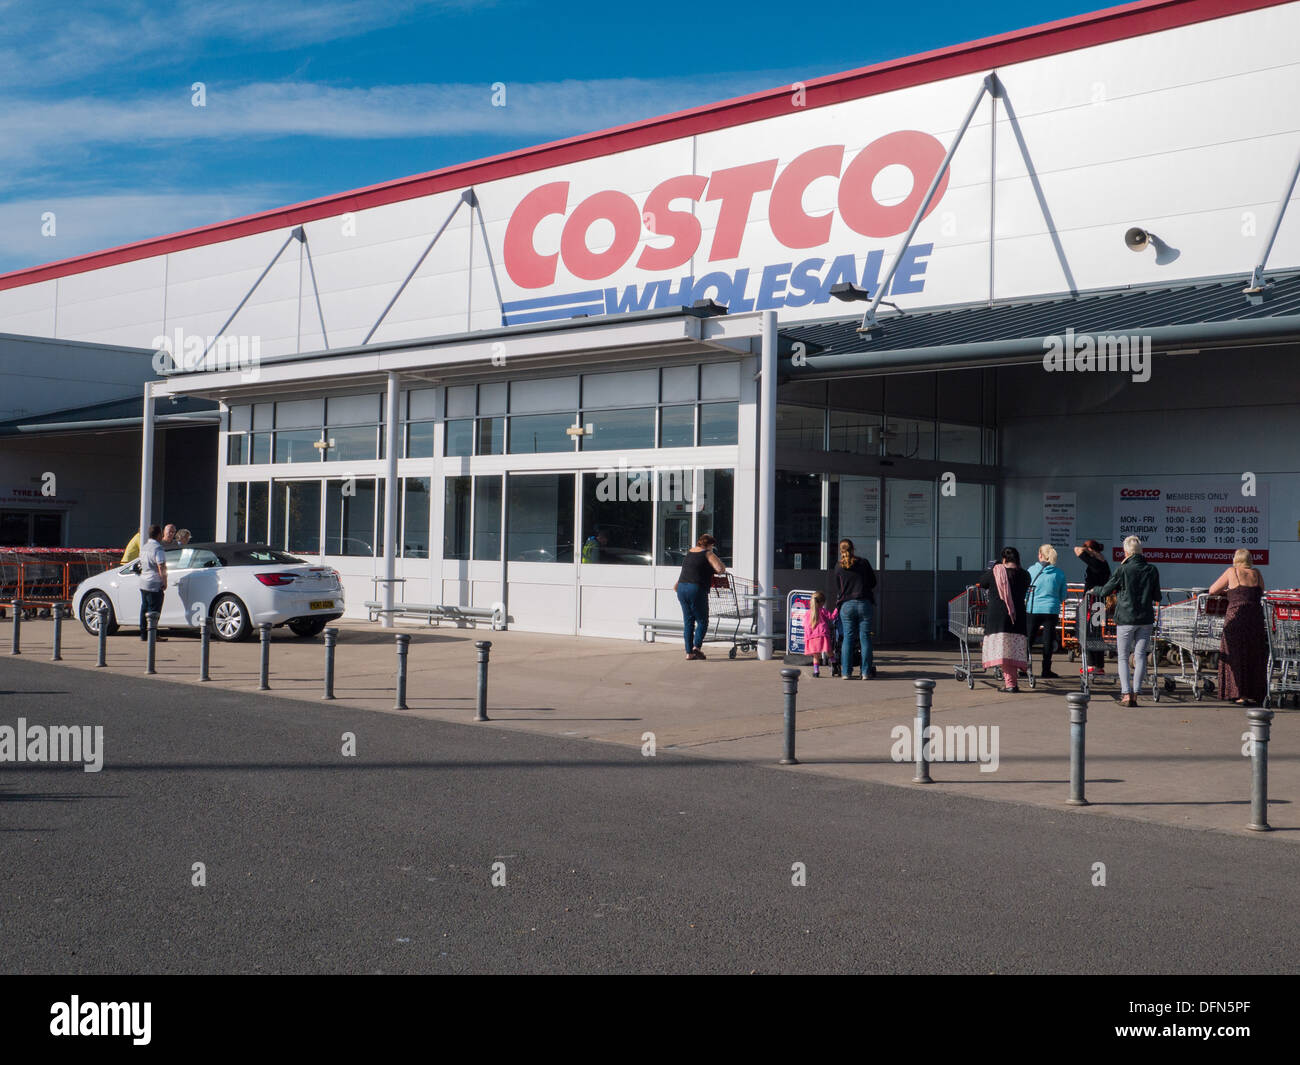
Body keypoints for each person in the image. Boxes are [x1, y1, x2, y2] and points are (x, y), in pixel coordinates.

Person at [1093, 535, 1161, 707]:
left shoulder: (1122, 570)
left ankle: (1125, 694)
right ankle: (1136, 693)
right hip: (1145, 619)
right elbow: (1157, 596)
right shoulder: (1152, 570)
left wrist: (1094, 589)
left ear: (1126, 552)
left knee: (1123, 657)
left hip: (1125, 619)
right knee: (1140, 657)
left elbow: (1106, 590)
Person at [1209, 549, 1268, 706]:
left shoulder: (1232, 571)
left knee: (1235, 655)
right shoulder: (1257, 573)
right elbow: (1260, 591)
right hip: (1255, 619)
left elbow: (1212, 590)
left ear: (1236, 559)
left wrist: (1229, 592)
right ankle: (1254, 693)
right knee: (1253, 654)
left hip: (1236, 617)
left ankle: (1238, 693)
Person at [979, 547, 1032, 692]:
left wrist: (996, 567)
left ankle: (1010, 684)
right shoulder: (1025, 574)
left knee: (1003, 652)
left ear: (1003, 559)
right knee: (1013, 651)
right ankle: (1011, 682)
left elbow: (982, 582)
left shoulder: (995, 572)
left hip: (998, 618)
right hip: (1018, 617)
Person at [673, 533, 726, 661]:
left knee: (688, 621)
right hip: (695, 589)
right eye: (712, 546)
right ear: (709, 545)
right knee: (702, 620)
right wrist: (715, 558)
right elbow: (720, 569)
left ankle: (688, 653)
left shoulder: (689, 553)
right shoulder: (707, 554)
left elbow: (686, 571)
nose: (712, 548)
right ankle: (696, 647)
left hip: (681, 587)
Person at [833, 538, 877, 680]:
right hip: (864, 603)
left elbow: (839, 588)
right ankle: (865, 672)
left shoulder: (838, 566)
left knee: (848, 638)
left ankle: (846, 672)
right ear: (853, 549)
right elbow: (873, 582)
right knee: (865, 638)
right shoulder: (863, 563)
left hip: (846, 605)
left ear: (841, 550)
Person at [1026, 544, 1068, 678]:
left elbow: (1026, 591)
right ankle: (1046, 670)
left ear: (1040, 555)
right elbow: (1063, 595)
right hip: (1051, 610)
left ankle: (1023, 667)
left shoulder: (1031, 571)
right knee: (1048, 641)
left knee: (1029, 639)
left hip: (1033, 609)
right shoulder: (1059, 573)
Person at [1074, 540, 1111, 676]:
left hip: (1092, 601)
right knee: (1096, 633)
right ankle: (1099, 665)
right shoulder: (1104, 562)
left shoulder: (1095, 562)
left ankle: (1090, 664)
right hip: (1100, 602)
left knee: (1088, 632)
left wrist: (1088, 551)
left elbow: (1077, 549)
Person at [138, 523, 168, 642]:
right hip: (154, 582)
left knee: (144, 608)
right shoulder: (158, 548)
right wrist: (164, 581)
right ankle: (153, 634)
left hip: (143, 581)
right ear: (159, 534)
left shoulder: (144, 547)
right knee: (154, 610)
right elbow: (161, 566)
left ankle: (143, 634)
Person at [804, 591, 835, 678]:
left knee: (816, 656)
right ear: (822, 602)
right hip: (823, 634)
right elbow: (832, 617)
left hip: (812, 637)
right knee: (829, 652)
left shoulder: (807, 613)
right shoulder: (822, 610)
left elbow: (805, 626)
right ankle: (834, 664)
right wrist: (837, 609)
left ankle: (816, 671)